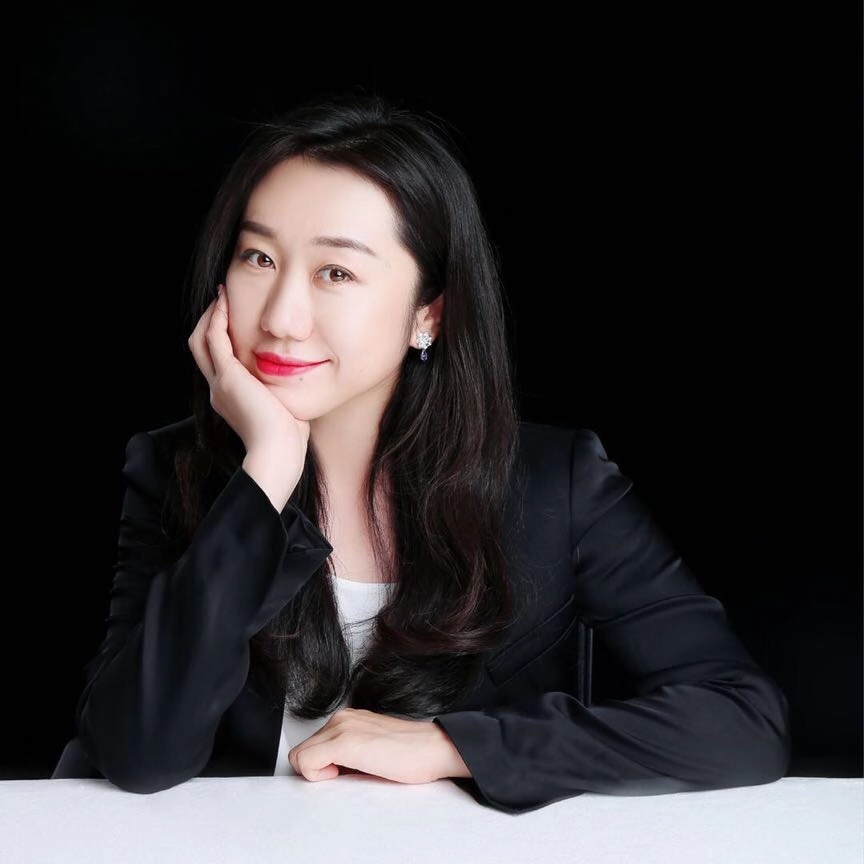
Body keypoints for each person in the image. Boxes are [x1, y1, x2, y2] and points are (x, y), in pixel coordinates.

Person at [59, 91, 790, 813]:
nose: (281, 317)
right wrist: (267, 472)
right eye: (258, 257)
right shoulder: (174, 468)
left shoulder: (555, 483)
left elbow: (741, 720)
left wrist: (451, 746)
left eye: (336, 272)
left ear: (428, 313)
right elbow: (138, 755)